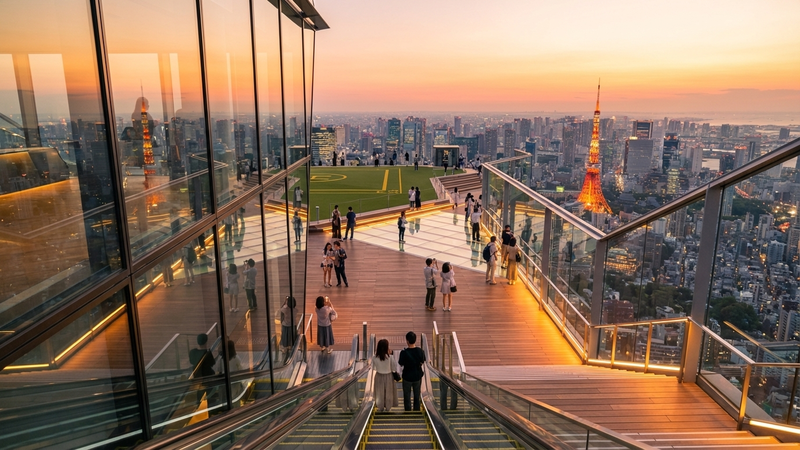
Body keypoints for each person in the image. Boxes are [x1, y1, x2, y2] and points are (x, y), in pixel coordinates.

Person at [398, 331, 426, 411]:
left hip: (407, 377)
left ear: (407, 341)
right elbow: (423, 361)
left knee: (407, 396)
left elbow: (401, 363)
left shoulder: (404, 352)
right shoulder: (421, 351)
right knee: (417, 395)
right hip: (417, 376)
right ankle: (416, 410)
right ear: (415, 340)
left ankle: (408, 411)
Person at [372, 339, 398, 412]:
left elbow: (373, 368)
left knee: (379, 392)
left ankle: (380, 407)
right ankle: (388, 406)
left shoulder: (374, 358)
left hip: (379, 376)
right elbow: (394, 368)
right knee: (388, 392)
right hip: (388, 376)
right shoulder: (390, 357)